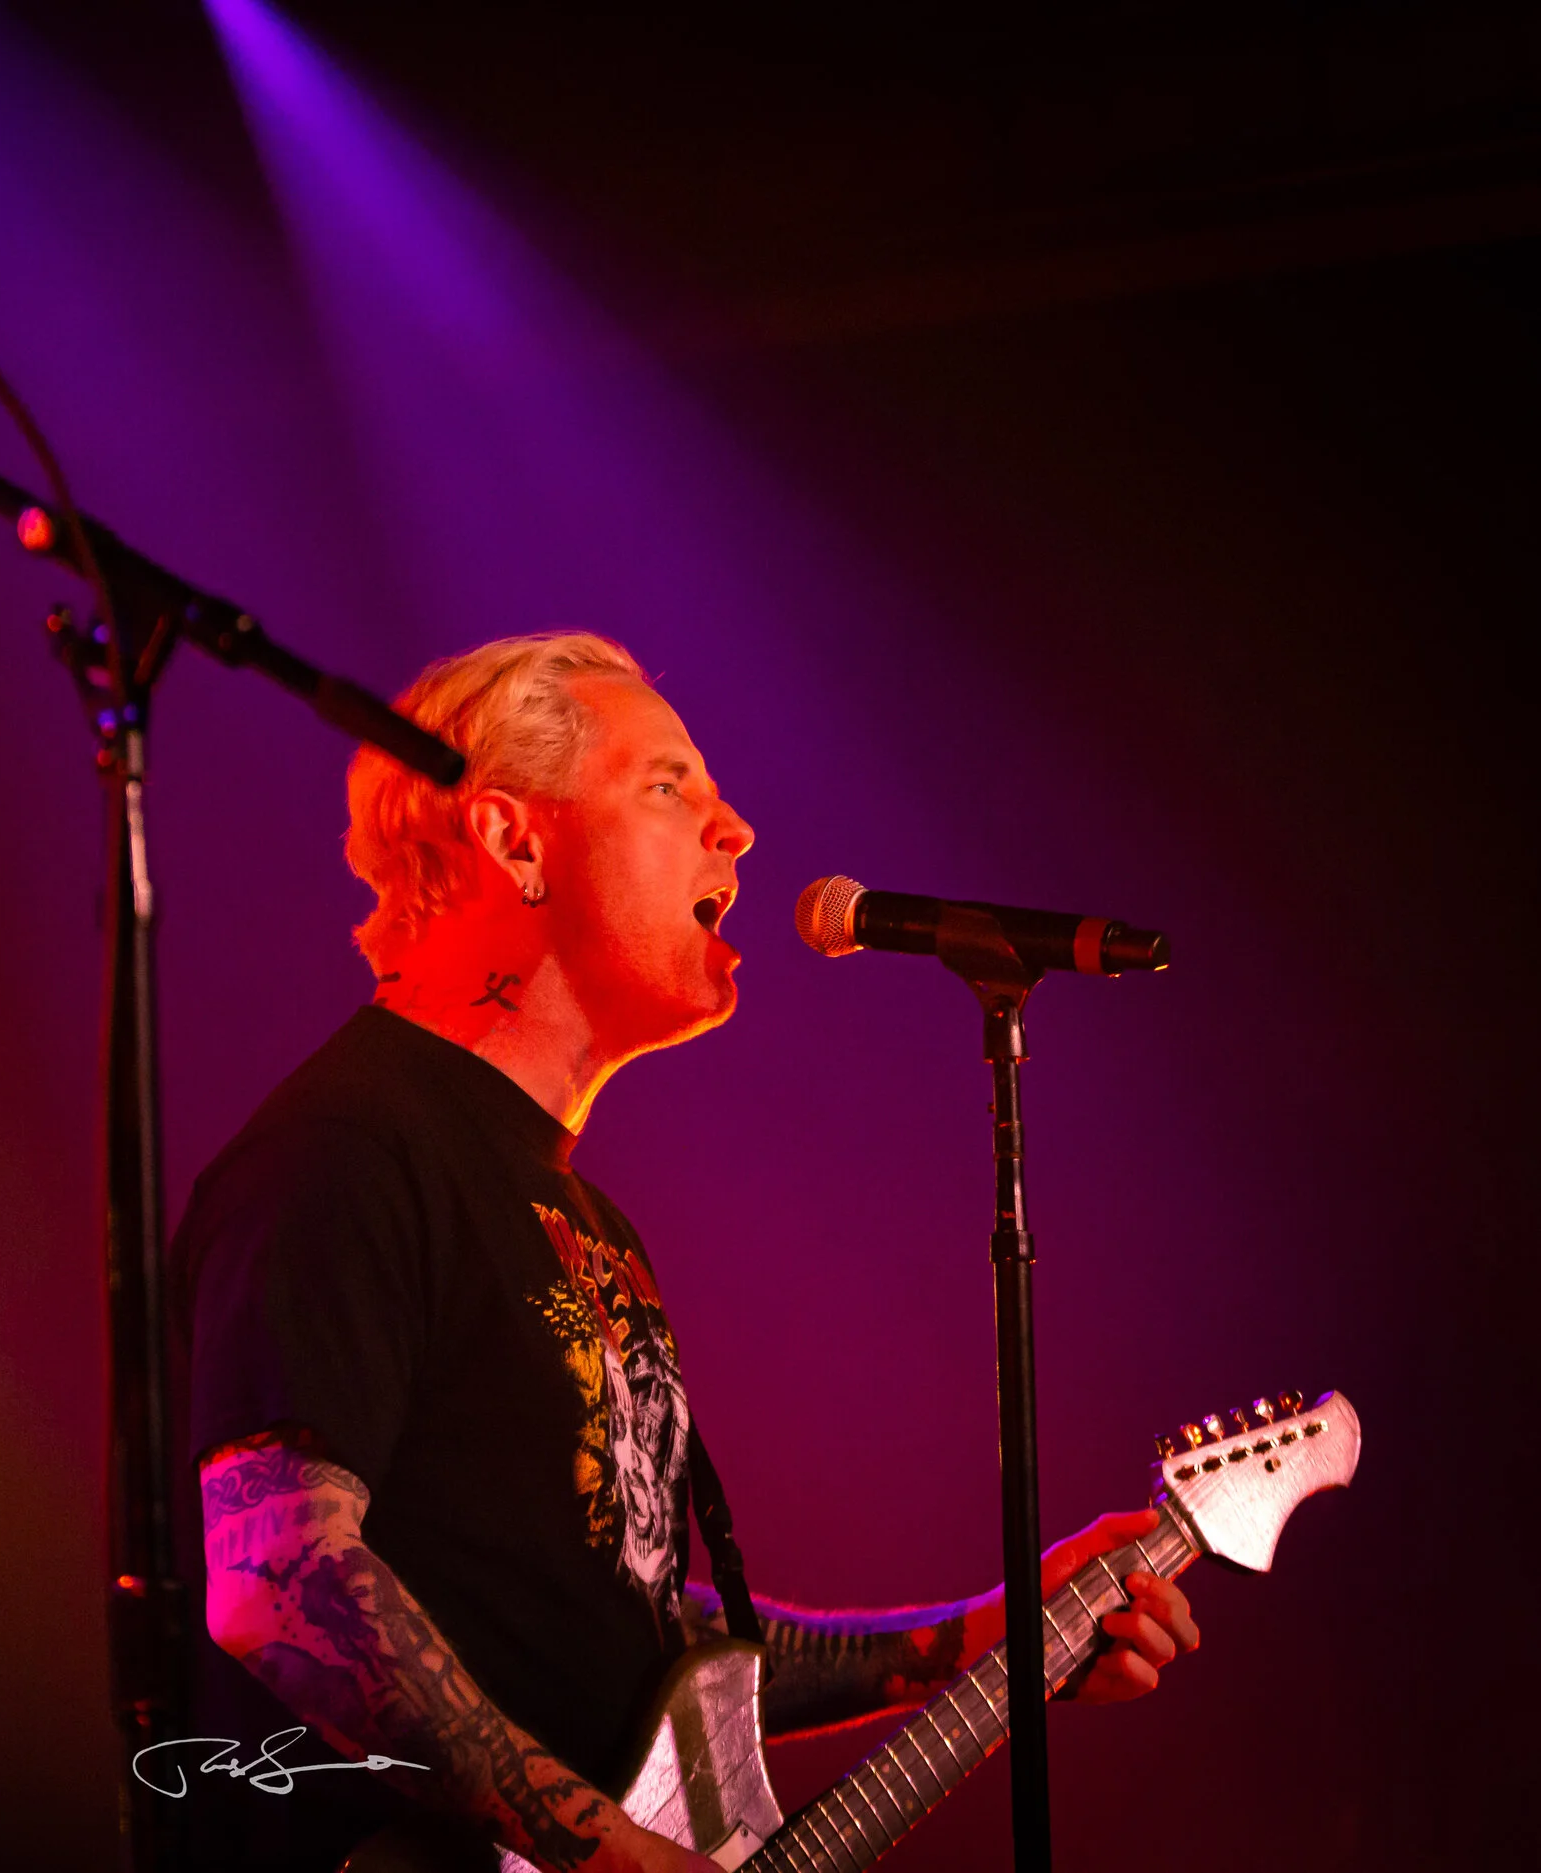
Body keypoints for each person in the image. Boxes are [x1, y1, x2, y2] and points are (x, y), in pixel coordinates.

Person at [173, 632, 1201, 1871]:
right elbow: (278, 1578)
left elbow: (630, 1629)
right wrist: (599, 1846)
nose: (739, 831)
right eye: (668, 786)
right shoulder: (345, 1154)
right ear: (512, 840)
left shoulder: (588, 1221)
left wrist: (976, 1639)